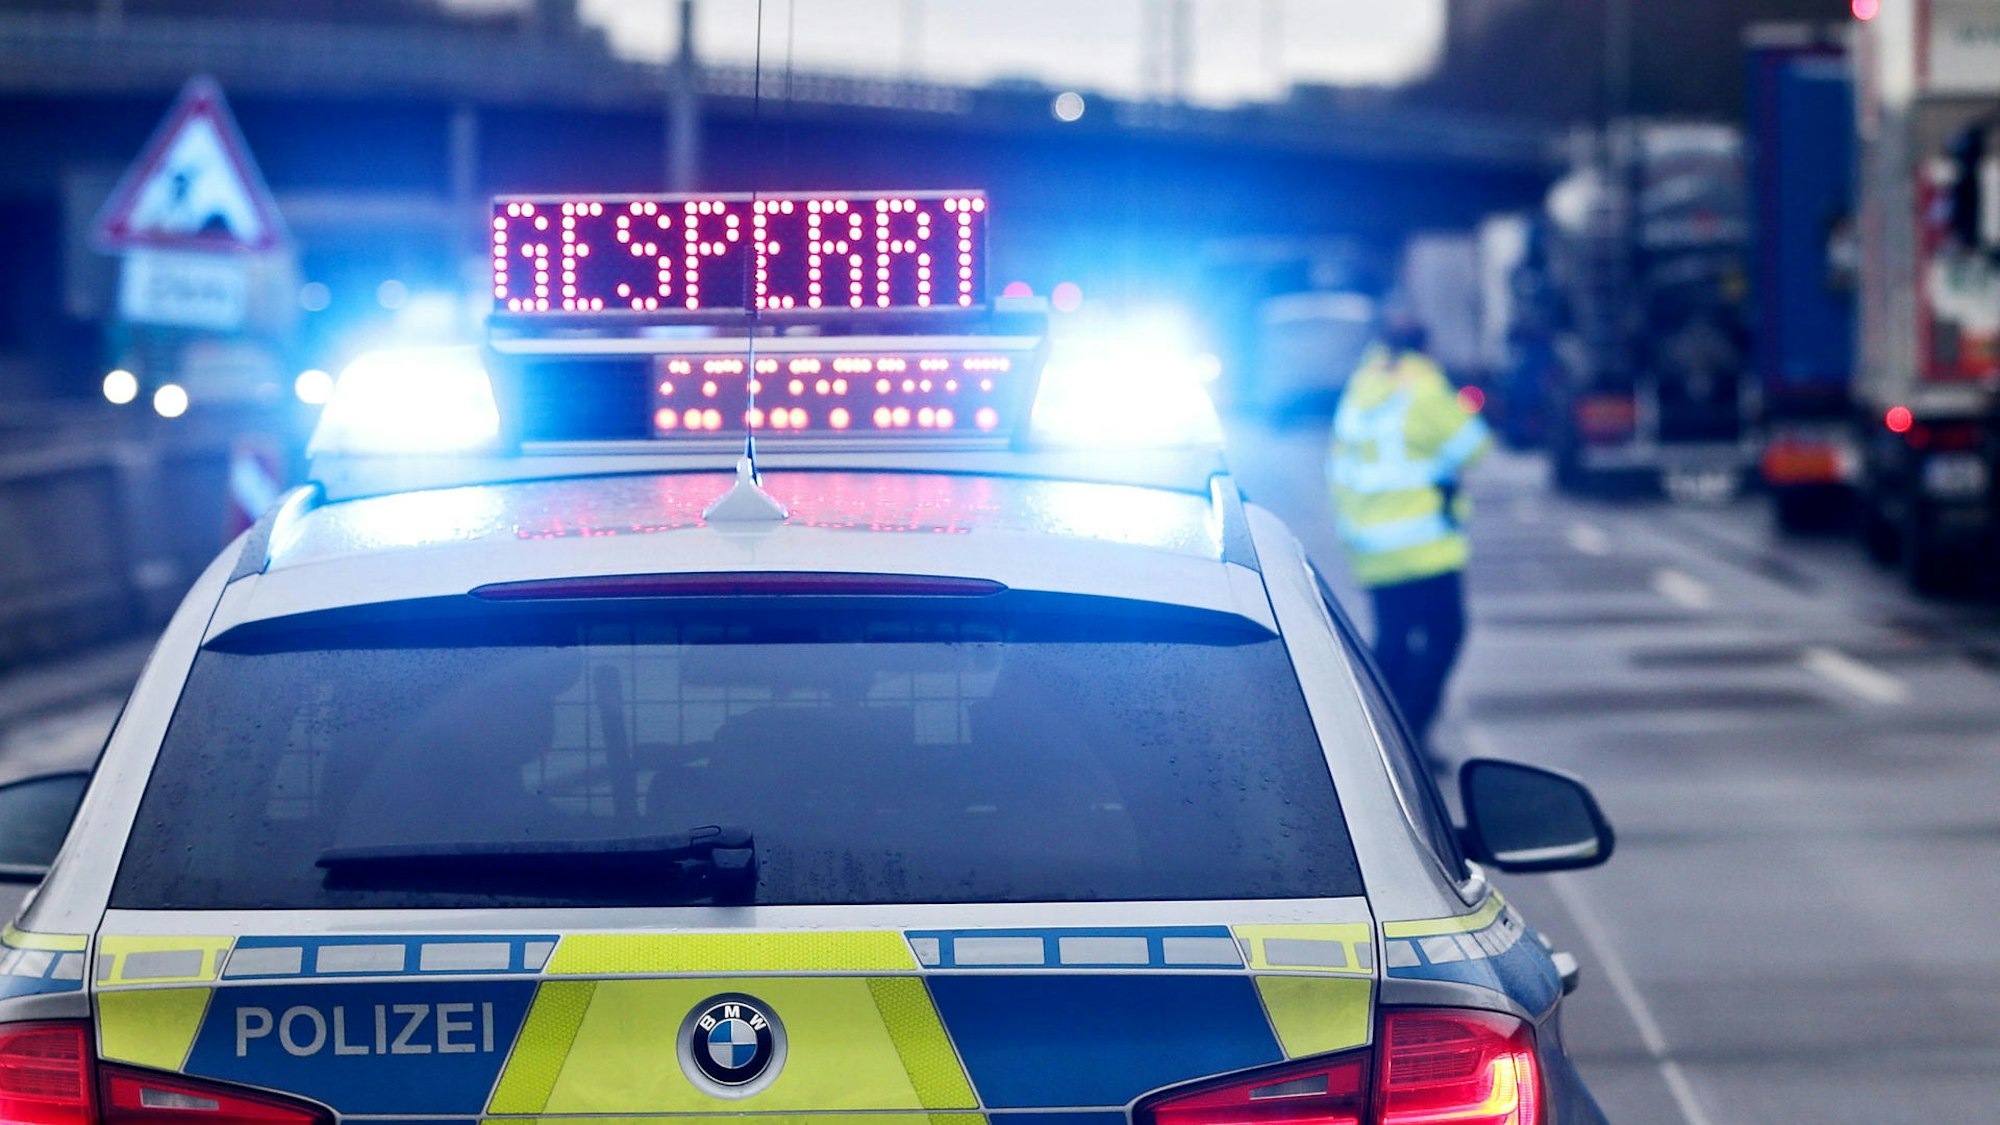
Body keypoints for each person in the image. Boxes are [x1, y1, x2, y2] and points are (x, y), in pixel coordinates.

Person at [1328, 310, 1491, 759]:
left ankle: (1377, 736)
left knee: (1393, 643)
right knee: (1445, 635)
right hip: (1424, 547)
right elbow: (1473, 446)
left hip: (1371, 544)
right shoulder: (1423, 387)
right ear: (1426, 346)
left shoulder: (1361, 387)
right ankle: (1410, 736)